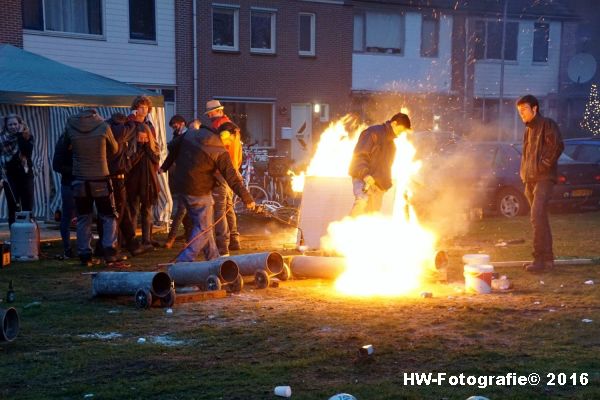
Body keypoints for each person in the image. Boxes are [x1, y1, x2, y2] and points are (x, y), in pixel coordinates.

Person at [165, 123, 254, 262]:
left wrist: (165, 166)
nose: (229, 143)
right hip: (198, 190)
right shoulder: (219, 149)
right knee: (204, 229)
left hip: (182, 186)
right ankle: (182, 262)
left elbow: (172, 146)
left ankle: (214, 260)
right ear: (225, 135)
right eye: (231, 140)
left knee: (204, 225)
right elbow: (232, 177)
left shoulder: (194, 133)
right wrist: (247, 198)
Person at [62, 109, 120, 267]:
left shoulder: (70, 125)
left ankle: (85, 254)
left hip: (79, 179)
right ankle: (110, 251)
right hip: (100, 177)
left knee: (83, 217)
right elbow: (115, 148)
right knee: (108, 216)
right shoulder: (103, 126)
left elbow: (63, 147)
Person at [516, 94, 564, 273]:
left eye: (524, 110)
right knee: (540, 219)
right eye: (519, 112)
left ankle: (538, 260)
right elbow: (527, 154)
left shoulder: (547, 124)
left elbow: (557, 146)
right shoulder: (528, 129)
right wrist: (525, 174)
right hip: (530, 180)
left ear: (534, 108)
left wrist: (542, 167)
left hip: (543, 179)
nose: (521, 114)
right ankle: (548, 260)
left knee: (536, 216)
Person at [348, 112, 411, 216]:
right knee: (362, 201)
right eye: (400, 130)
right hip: (362, 178)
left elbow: (386, 168)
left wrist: (384, 185)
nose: (400, 134)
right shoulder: (372, 133)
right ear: (394, 123)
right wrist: (365, 174)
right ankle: (346, 230)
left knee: (372, 216)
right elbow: (360, 155)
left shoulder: (392, 146)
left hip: (377, 185)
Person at [205, 100, 243, 254]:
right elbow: (238, 153)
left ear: (218, 111)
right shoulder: (234, 128)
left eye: (210, 113)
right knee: (228, 207)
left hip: (221, 172)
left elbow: (216, 152)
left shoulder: (219, 128)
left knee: (219, 209)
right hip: (232, 171)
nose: (209, 116)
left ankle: (222, 246)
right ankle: (234, 240)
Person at [126, 96, 161, 250]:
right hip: (134, 173)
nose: (144, 110)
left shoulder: (149, 126)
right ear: (136, 108)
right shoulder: (130, 124)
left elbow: (155, 151)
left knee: (147, 208)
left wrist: (155, 168)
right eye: (141, 107)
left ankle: (147, 239)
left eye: (146, 107)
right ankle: (133, 240)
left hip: (148, 173)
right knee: (133, 208)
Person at [160, 114, 192, 248]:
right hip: (181, 174)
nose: (175, 128)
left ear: (182, 123)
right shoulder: (176, 136)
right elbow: (172, 154)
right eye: (173, 126)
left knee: (182, 208)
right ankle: (189, 235)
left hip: (190, 174)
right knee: (185, 209)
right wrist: (164, 167)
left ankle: (171, 238)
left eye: (176, 125)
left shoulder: (189, 135)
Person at [0, 114, 34, 226]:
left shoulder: (27, 136)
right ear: (6, 126)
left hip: (25, 175)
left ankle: (27, 233)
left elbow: (26, 152)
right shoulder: (1, 138)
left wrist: (20, 134)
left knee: (27, 205)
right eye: (10, 124)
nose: (13, 126)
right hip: (9, 176)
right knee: (13, 206)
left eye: (15, 124)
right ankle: (14, 234)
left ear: (20, 124)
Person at [52, 133, 75, 259]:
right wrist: (74, 170)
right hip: (70, 182)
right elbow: (56, 165)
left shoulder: (83, 139)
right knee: (67, 215)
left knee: (84, 216)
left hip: (80, 181)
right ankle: (68, 248)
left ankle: (84, 248)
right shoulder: (64, 142)